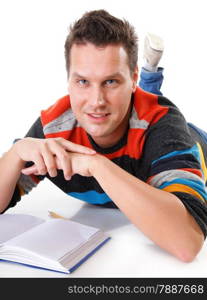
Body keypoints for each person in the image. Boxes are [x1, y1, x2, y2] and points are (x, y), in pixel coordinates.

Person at [0, 9, 207, 263]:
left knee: (151, 105)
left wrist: (96, 164)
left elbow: (187, 244)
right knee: (126, 108)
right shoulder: (55, 127)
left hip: (194, 140)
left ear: (131, 79)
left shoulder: (162, 124)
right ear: (68, 81)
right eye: (83, 82)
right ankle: (142, 81)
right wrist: (16, 153)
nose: (96, 101)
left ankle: (148, 82)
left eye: (110, 82)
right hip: (133, 118)